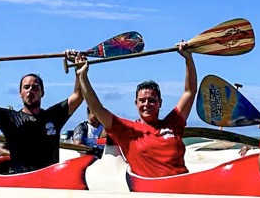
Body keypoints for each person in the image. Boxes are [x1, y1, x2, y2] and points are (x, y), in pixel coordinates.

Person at [71, 43, 196, 177]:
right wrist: (82, 76)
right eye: (142, 100)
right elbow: (97, 108)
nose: (147, 104)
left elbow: (189, 92)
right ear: (136, 103)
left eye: (152, 100)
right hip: (149, 192)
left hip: (182, 189)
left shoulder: (173, 123)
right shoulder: (127, 130)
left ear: (160, 103)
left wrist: (188, 59)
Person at [0, 55, 82, 173]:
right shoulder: (11, 119)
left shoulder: (53, 116)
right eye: (26, 87)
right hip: (23, 183)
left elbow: (78, 96)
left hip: (50, 182)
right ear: (20, 93)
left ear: (42, 92)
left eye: (35, 87)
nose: (30, 90)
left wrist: (78, 69)